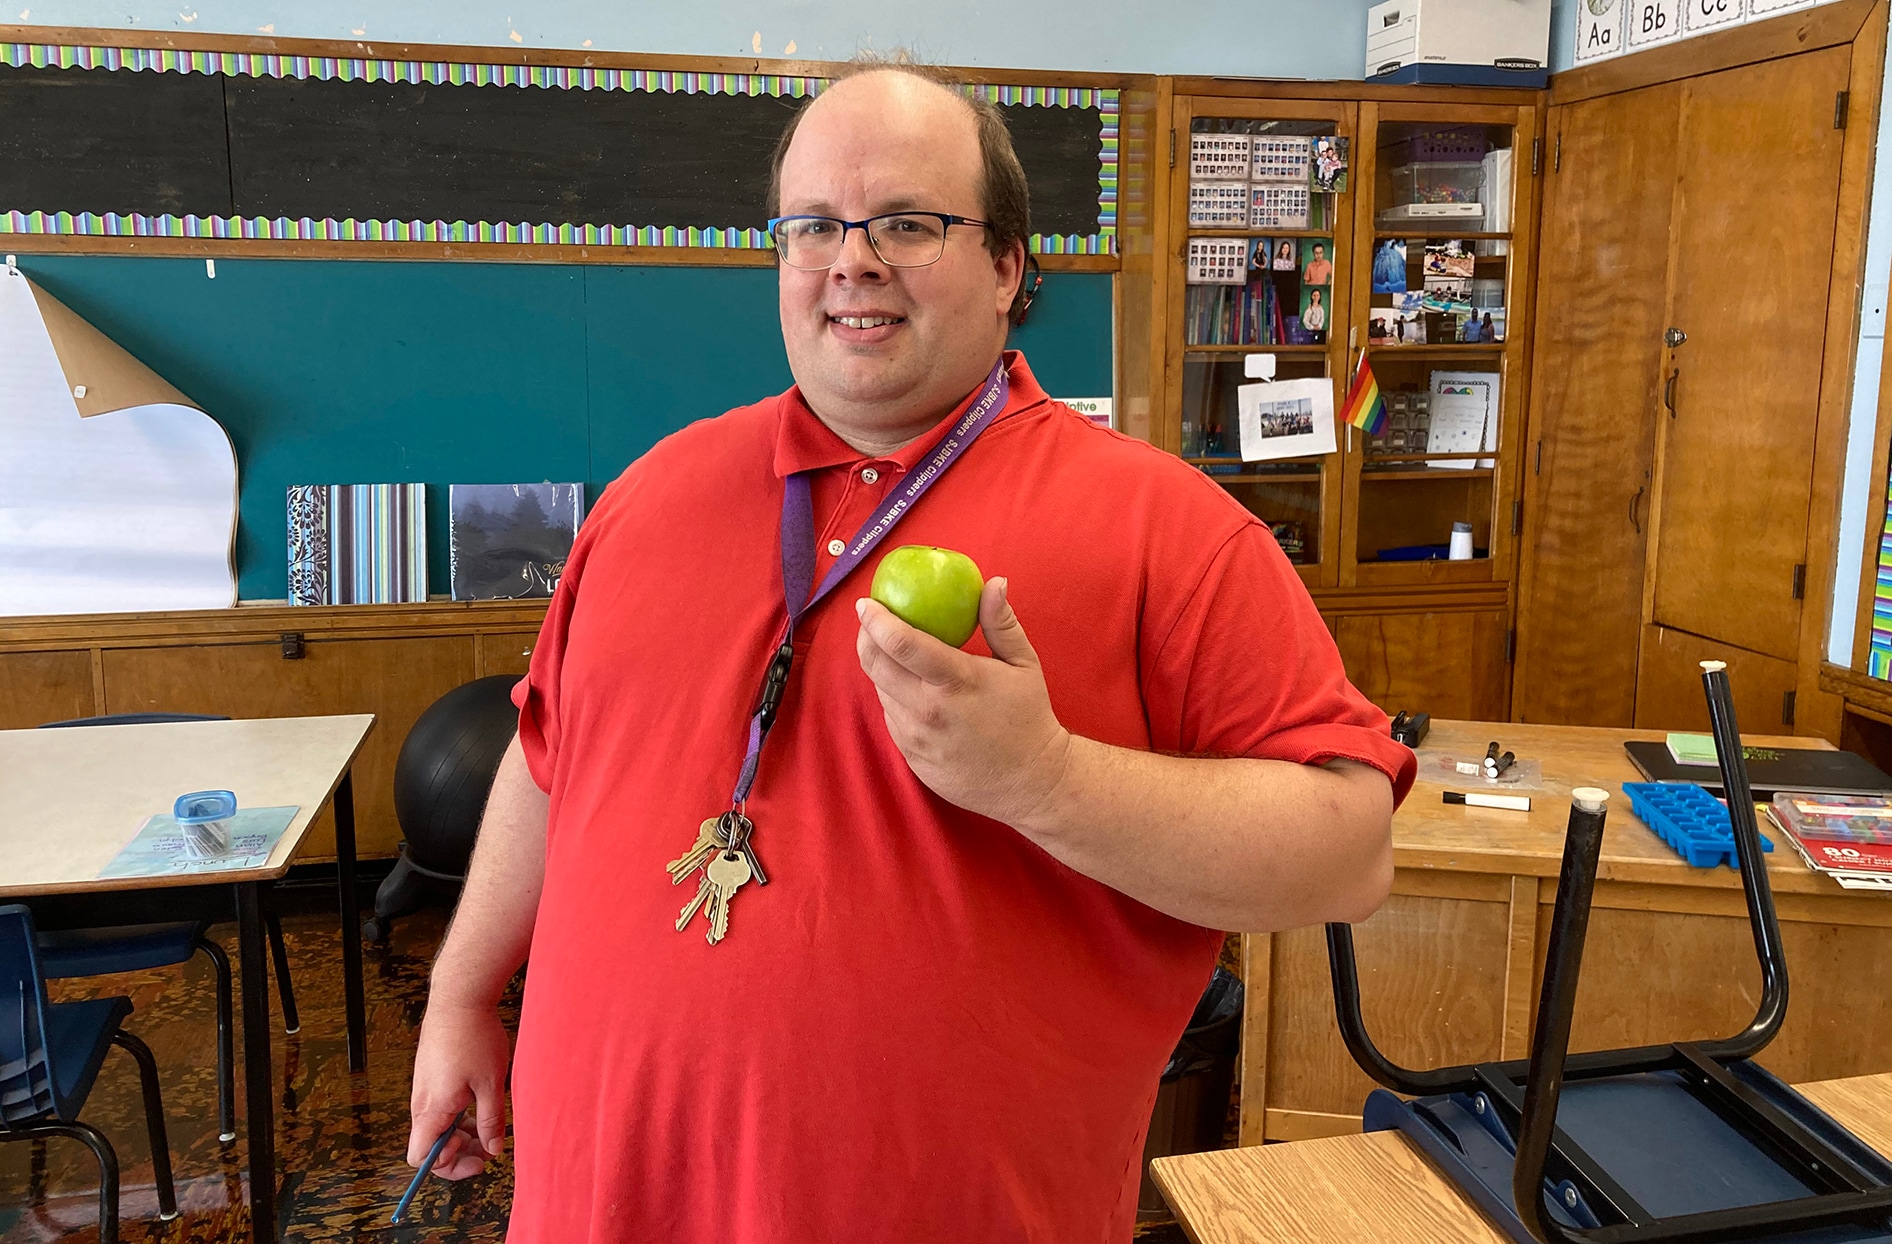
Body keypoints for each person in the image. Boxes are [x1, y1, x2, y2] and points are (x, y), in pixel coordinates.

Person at [406, 61, 1413, 1243]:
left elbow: (1346, 851)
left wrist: (1046, 779)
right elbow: (550, 751)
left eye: (906, 223)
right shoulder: (648, 497)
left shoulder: (1170, 531)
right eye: (813, 226)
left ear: (1005, 267)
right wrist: (462, 988)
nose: (852, 260)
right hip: (596, 1202)